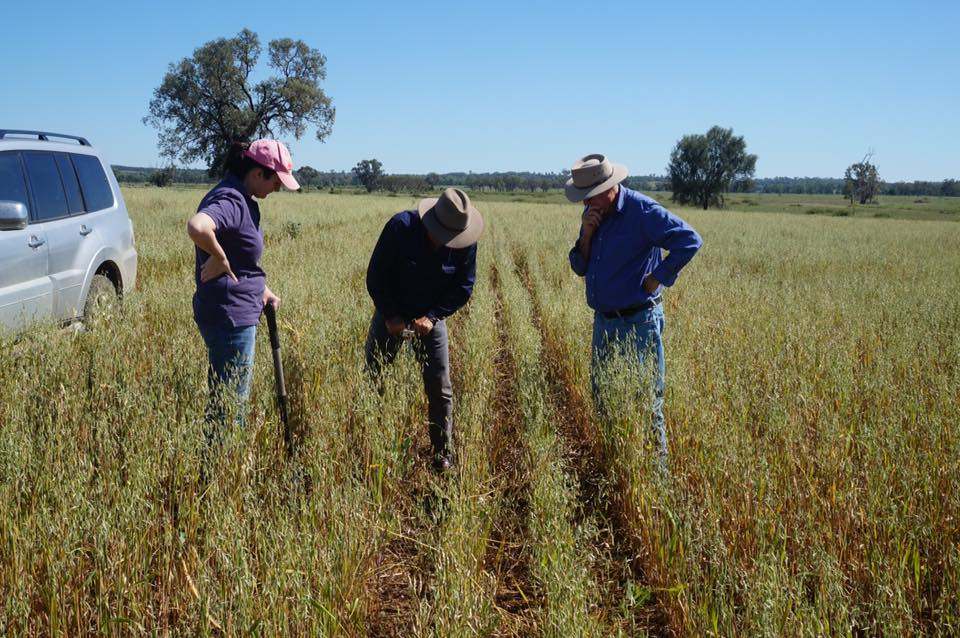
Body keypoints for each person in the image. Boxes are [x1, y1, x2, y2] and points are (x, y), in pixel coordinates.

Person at [566, 154, 702, 467]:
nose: (586, 204)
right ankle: (617, 463)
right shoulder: (592, 214)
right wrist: (586, 234)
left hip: (639, 322)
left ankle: (657, 478)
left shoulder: (643, 211)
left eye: (590, 197)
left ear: (609, 187)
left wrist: (657, 279)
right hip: (604, 322)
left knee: (646, 401)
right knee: (603, 396)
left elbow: (689, 241)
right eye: (583, 199)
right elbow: (579, 266)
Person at [187, 139, 300, 439]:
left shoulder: (243, 197)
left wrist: (261, 290)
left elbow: (242, 259)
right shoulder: (232, 200)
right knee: (229, 408)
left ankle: (218, 465)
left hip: (235, 310)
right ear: (257, 172)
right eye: (275, 182)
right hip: (231, 318)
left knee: (227, 398)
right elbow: (198, 227)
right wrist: (220, 258)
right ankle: (218, 472)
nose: (276, 190)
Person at [365, 187, 484, 473]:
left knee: (439, 385)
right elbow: (376, 276)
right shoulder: (400, 227)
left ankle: (443, 452)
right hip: (391, 310)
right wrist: (391, 316)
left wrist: (432, 317)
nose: (448, 243)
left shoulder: (465, 241)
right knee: (374, 374)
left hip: (430, 318)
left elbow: (463, 287)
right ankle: (370, 440)